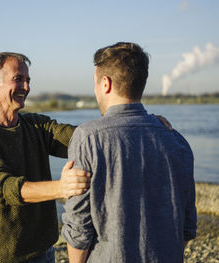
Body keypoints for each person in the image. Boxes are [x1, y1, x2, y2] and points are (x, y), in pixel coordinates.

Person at [61, 42, 197, 263]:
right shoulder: (177, 140)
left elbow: (79, 227)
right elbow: (187, 224)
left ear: (105, 84)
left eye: (95, 83)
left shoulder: (87, 137)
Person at [0, 52, 91, 263]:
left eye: (28, 80)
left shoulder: (36, 126)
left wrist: (134, 122)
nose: (27, 87)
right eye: (18, 79)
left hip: (43, 250)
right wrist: (60, 188)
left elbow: (83, 139)